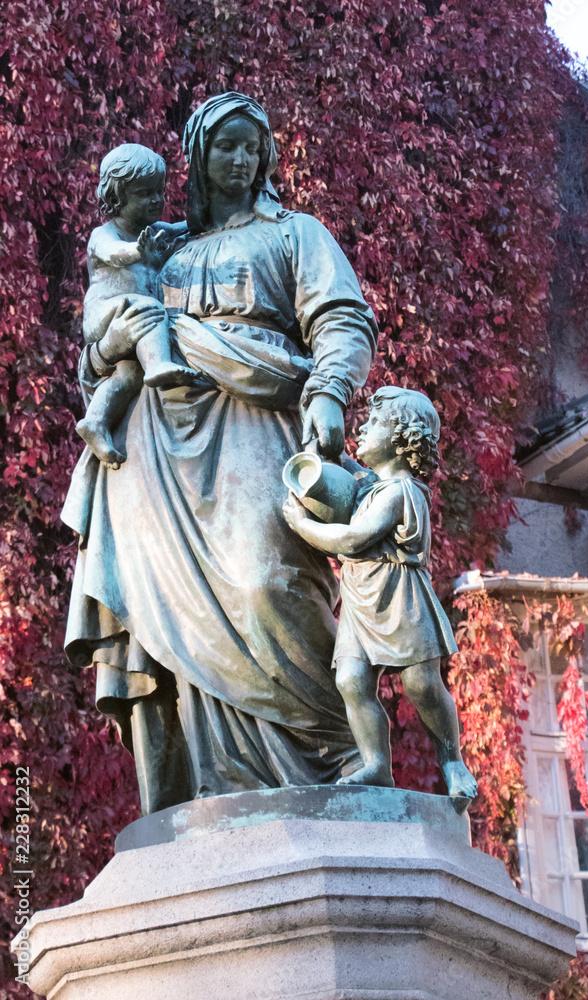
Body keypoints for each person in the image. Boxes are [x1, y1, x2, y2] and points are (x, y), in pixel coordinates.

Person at [62, 94, 378, 813]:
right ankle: (204, 794)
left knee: (265, 579)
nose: (238, 160)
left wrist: (328, 391)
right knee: (155, 618)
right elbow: (103, 342)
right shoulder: (164, 244)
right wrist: (110, 345)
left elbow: (341, 318)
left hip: (252, 417)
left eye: (249, 147)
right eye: (223, 147)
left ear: (264, 156)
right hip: (153, 447)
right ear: (198, 157)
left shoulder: (296, 233)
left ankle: (332, 759)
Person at [283, 387, 478, 799]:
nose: (362, 428)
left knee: (422, 684)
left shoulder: (401, 492)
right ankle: (375, 765)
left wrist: (302, 526)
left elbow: (353, 539)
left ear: (401, 438)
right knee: (352, 680)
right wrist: (331, 454)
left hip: (400, 598)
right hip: (360, 599)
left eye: (373, 424)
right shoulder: (375, 485)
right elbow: (356, 476)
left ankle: (453, 761)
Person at [77, 143, 199, 468]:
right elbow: (115, 253)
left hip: (139, 324)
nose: (157, 200)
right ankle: (158, 364)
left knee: (127, 375)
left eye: (159, 191)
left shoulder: (155, 231)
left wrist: (207, 219)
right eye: (145, 194)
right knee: (147, 307)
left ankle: (96, 422)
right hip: (107, 312)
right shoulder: (104, 235)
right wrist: (136, 252)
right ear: (117, 199)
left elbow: (182, 228)